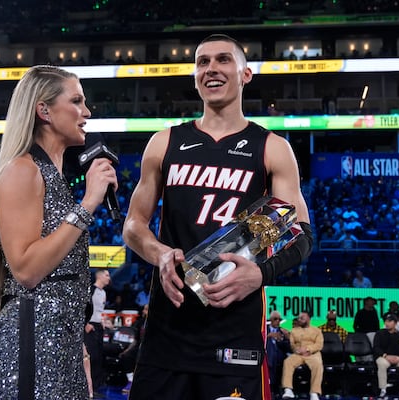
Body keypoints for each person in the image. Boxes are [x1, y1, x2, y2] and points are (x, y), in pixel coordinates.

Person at [122, 33, 313, 400]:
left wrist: (260, 273)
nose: (211, 68)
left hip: (234, 335)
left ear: (245, 74)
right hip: (167, 333)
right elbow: (133, 225)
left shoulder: (272, 148)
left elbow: (301, 234)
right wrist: (159, 253)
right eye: (202, 62)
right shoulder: (165, 142)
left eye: (224, 60)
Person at [0, 65, 118, 400]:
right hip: (30, 346)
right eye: (77, 101)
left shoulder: (51, 176)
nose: (86, 112)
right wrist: (87, 205)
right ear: (44, 110)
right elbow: (25, 270)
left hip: (60, 345)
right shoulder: (22, 170)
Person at [280, 311, 323, 400]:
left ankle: (314, 393)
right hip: (298, 354)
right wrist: (297, 350)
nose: (299, 319)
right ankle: (288, 389)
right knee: (287, 361)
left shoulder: (317, 331)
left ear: (308, 319)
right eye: (299, 318)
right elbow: (292, 344)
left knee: (318, 365)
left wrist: (308, 349)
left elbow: (319, 345)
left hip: (312, 354)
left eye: (302, 318)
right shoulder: (294, 331)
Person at [373, 313, 399, 400]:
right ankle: (383, 390)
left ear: (395, 323)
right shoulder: (379, 333)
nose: (387, 323)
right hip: (384, 357)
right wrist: (385, 355)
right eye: (386, 321)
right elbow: (376, 348)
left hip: (398, 358)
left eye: (390, 321)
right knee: (381, 364)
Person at [85, 268, 111, 397]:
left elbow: (99, 310)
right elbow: (84, 307)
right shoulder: (91, 290)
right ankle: (89, 388)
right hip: (90, 326)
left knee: (99, 356)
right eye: (106, 275)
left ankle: (96, 387)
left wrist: (103, 320)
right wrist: (86, 323)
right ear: (99, 277)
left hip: (98, 326)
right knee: (92, 356)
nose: (109, 278)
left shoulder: (103, 293)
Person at [119, 303, 149, 395]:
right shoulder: (141, 322)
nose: (143, 311)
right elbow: (136, 340)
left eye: (146, 310)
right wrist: (127, 350)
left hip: (149, 349)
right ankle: (130, 381)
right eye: (144, 309)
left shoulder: (156, 323)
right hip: (139, 346)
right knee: (125, 356)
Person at [266, 310, 290, 398]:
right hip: (267, 355)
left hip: (279, 358)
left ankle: (272, 387)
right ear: (271, 319)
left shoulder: (283, 331)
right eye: (275, 319)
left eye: (279, 319)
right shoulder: (265, 329)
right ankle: (272, 387)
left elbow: (288, 348)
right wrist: (269, 336)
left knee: (275, 355)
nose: (277, 321)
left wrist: (282, 340)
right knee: (271, 350)